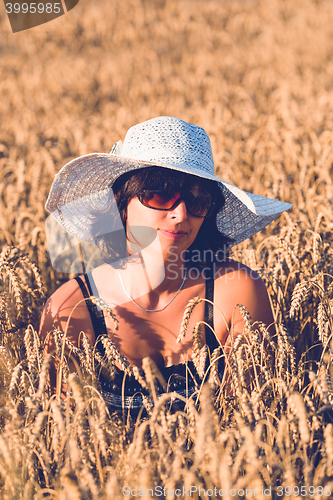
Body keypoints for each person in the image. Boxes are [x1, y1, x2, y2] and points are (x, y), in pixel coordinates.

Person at [39, 116, 291, 416]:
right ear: (121, 202)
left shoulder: (235, 293)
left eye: (197, 199)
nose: (181, 214)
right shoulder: (71, 310)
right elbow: (65, 440)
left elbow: (252, 423)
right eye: (159, 193)